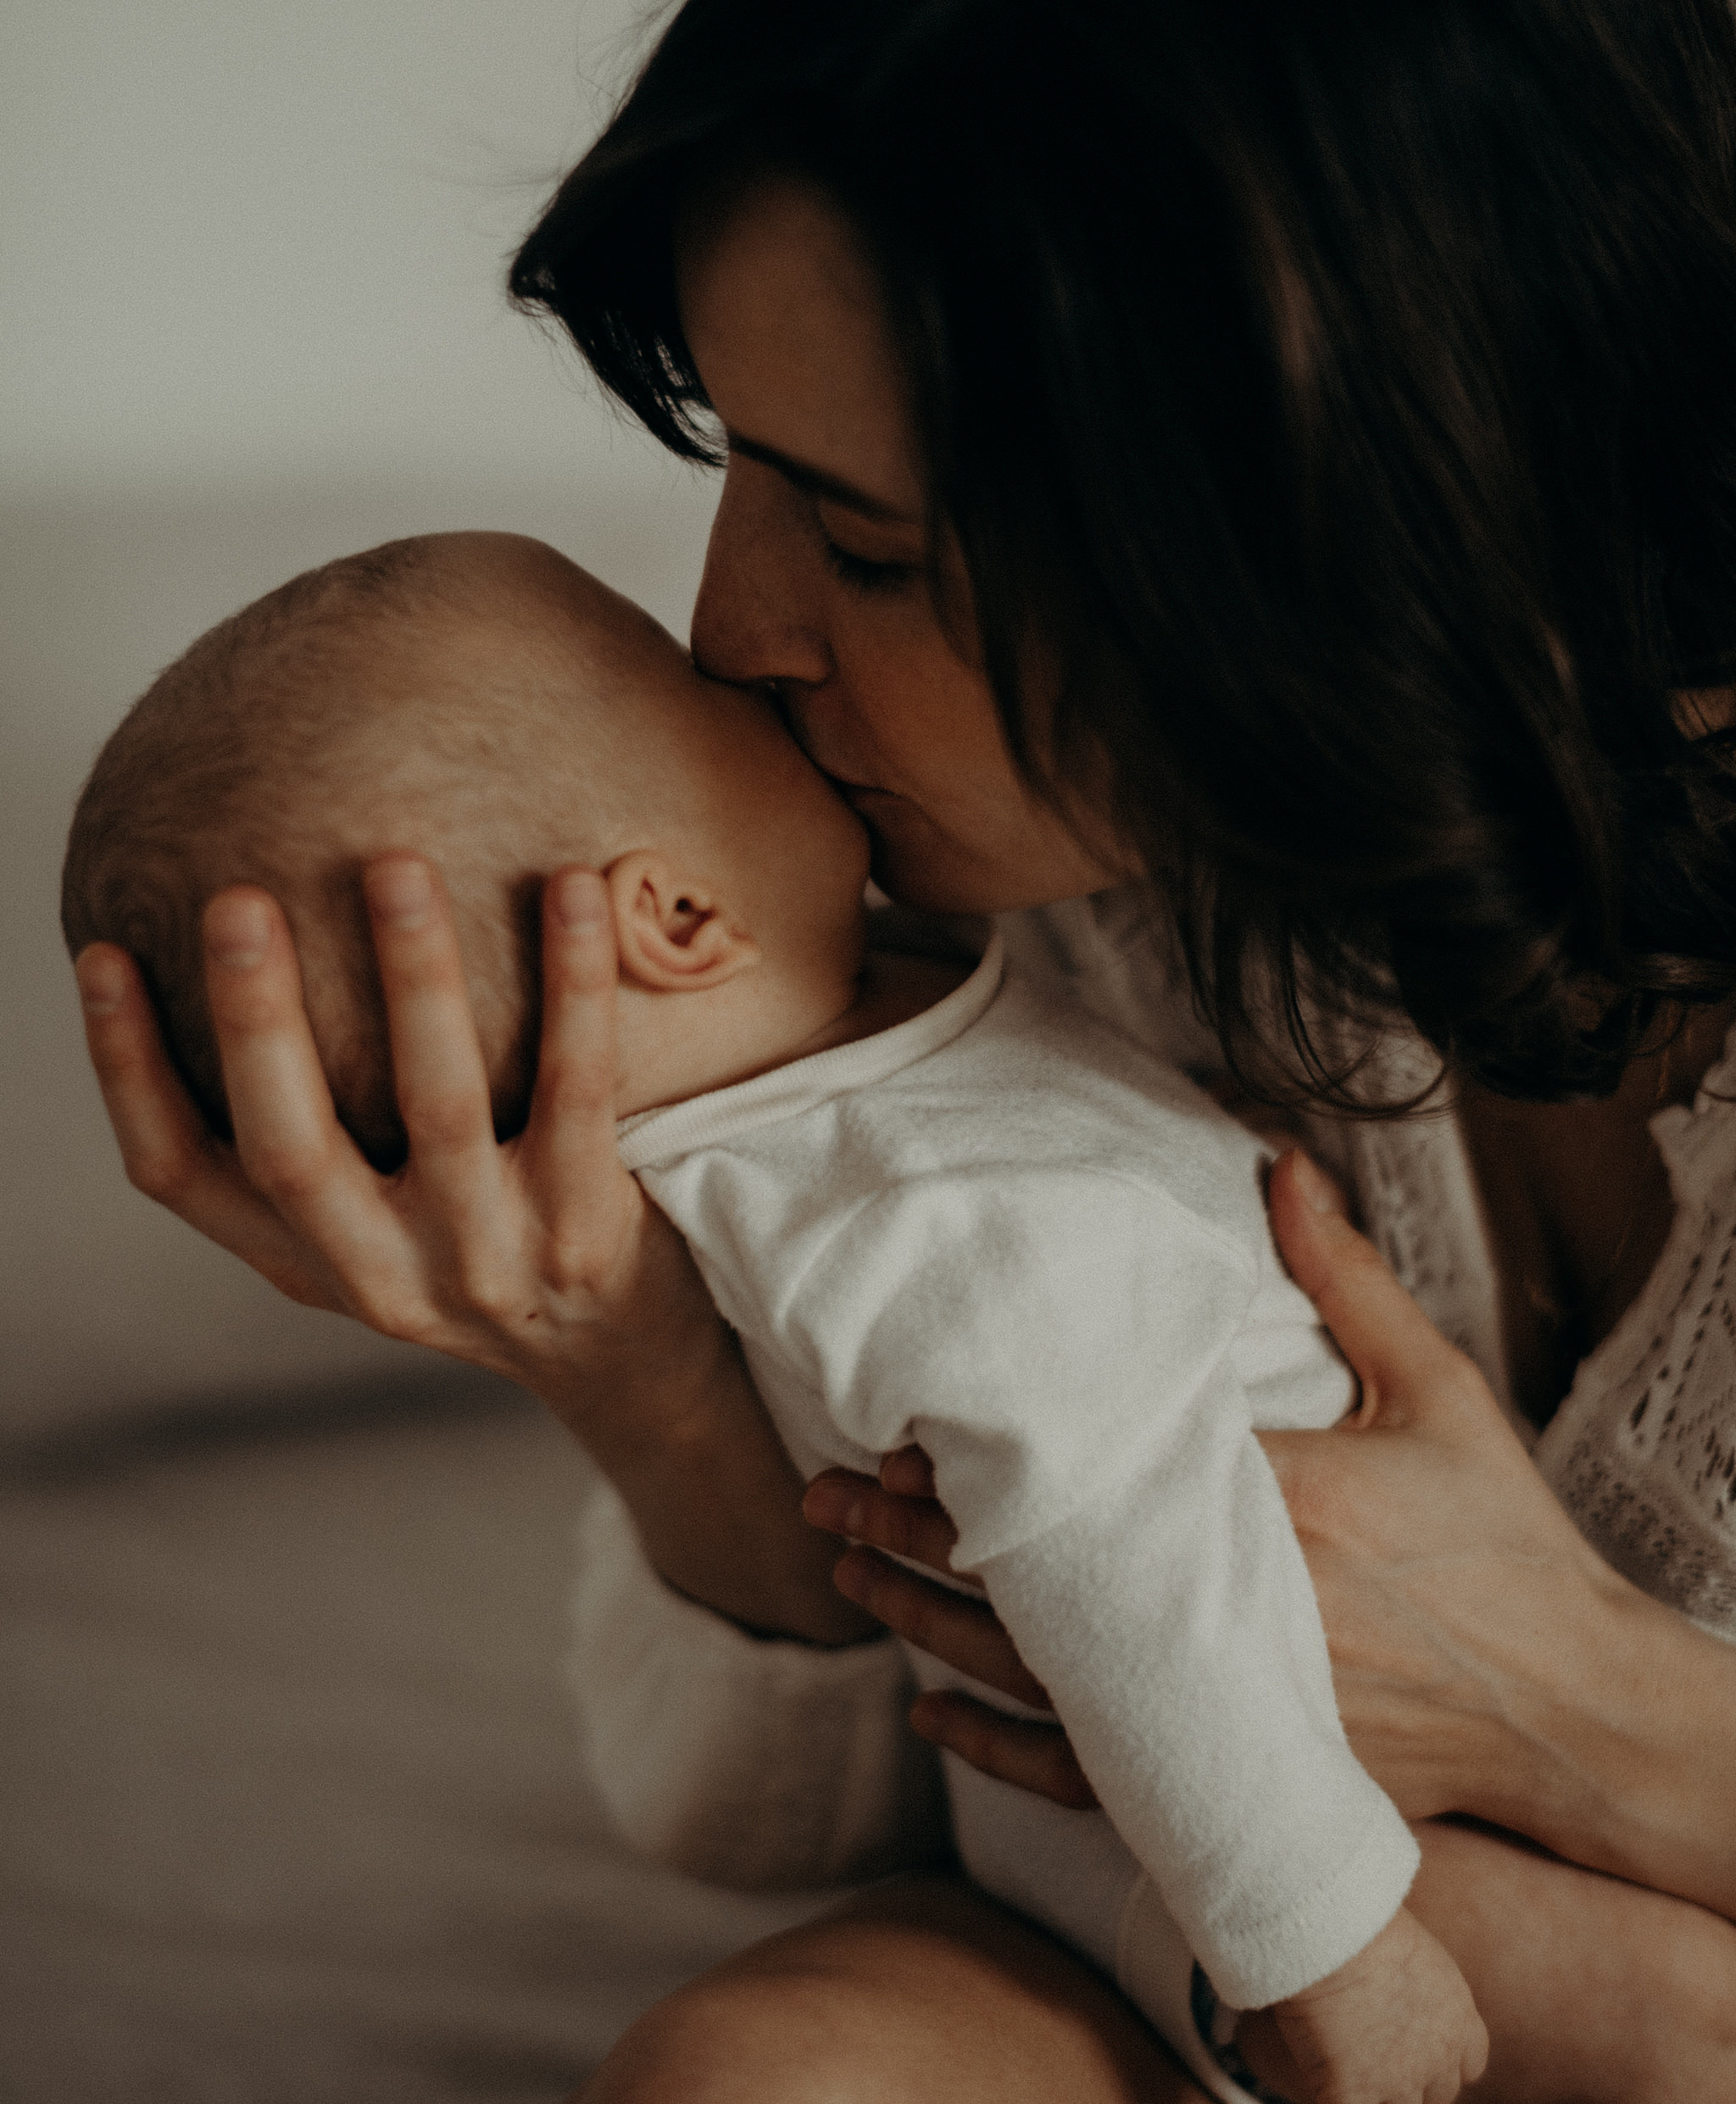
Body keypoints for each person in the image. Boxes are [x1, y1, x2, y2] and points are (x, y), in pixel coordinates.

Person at [71, 0, 1736, 2101]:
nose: (735, 632)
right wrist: (634, 1355)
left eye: (867, 542)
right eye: (749, 471)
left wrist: (1569, 1704)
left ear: (1342, 534)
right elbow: (791, 1810)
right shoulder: (1038, 903)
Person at [60, 526, 1484, 2101]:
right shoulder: (931, 1217)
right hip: (1291, 1869)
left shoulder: (850, 1062)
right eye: (689, 687)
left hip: (1192, 1848)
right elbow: (1139, 1555)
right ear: (674, 919)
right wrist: (1321, 1940)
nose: (740, 647)